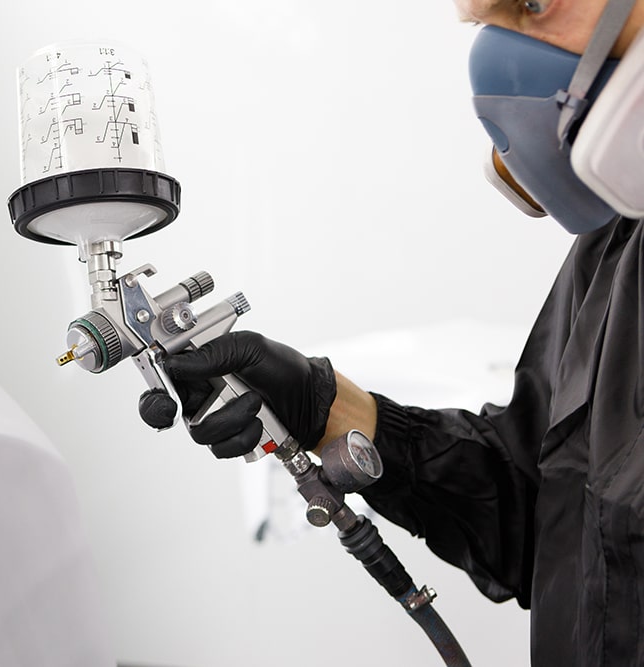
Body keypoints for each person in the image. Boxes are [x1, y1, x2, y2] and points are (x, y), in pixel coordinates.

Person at [138, 1, 644, 665]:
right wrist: (325, 409)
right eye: (483, 25)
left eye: (534, 5)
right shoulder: (616, 251)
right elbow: (543, 518)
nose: (498, 62)